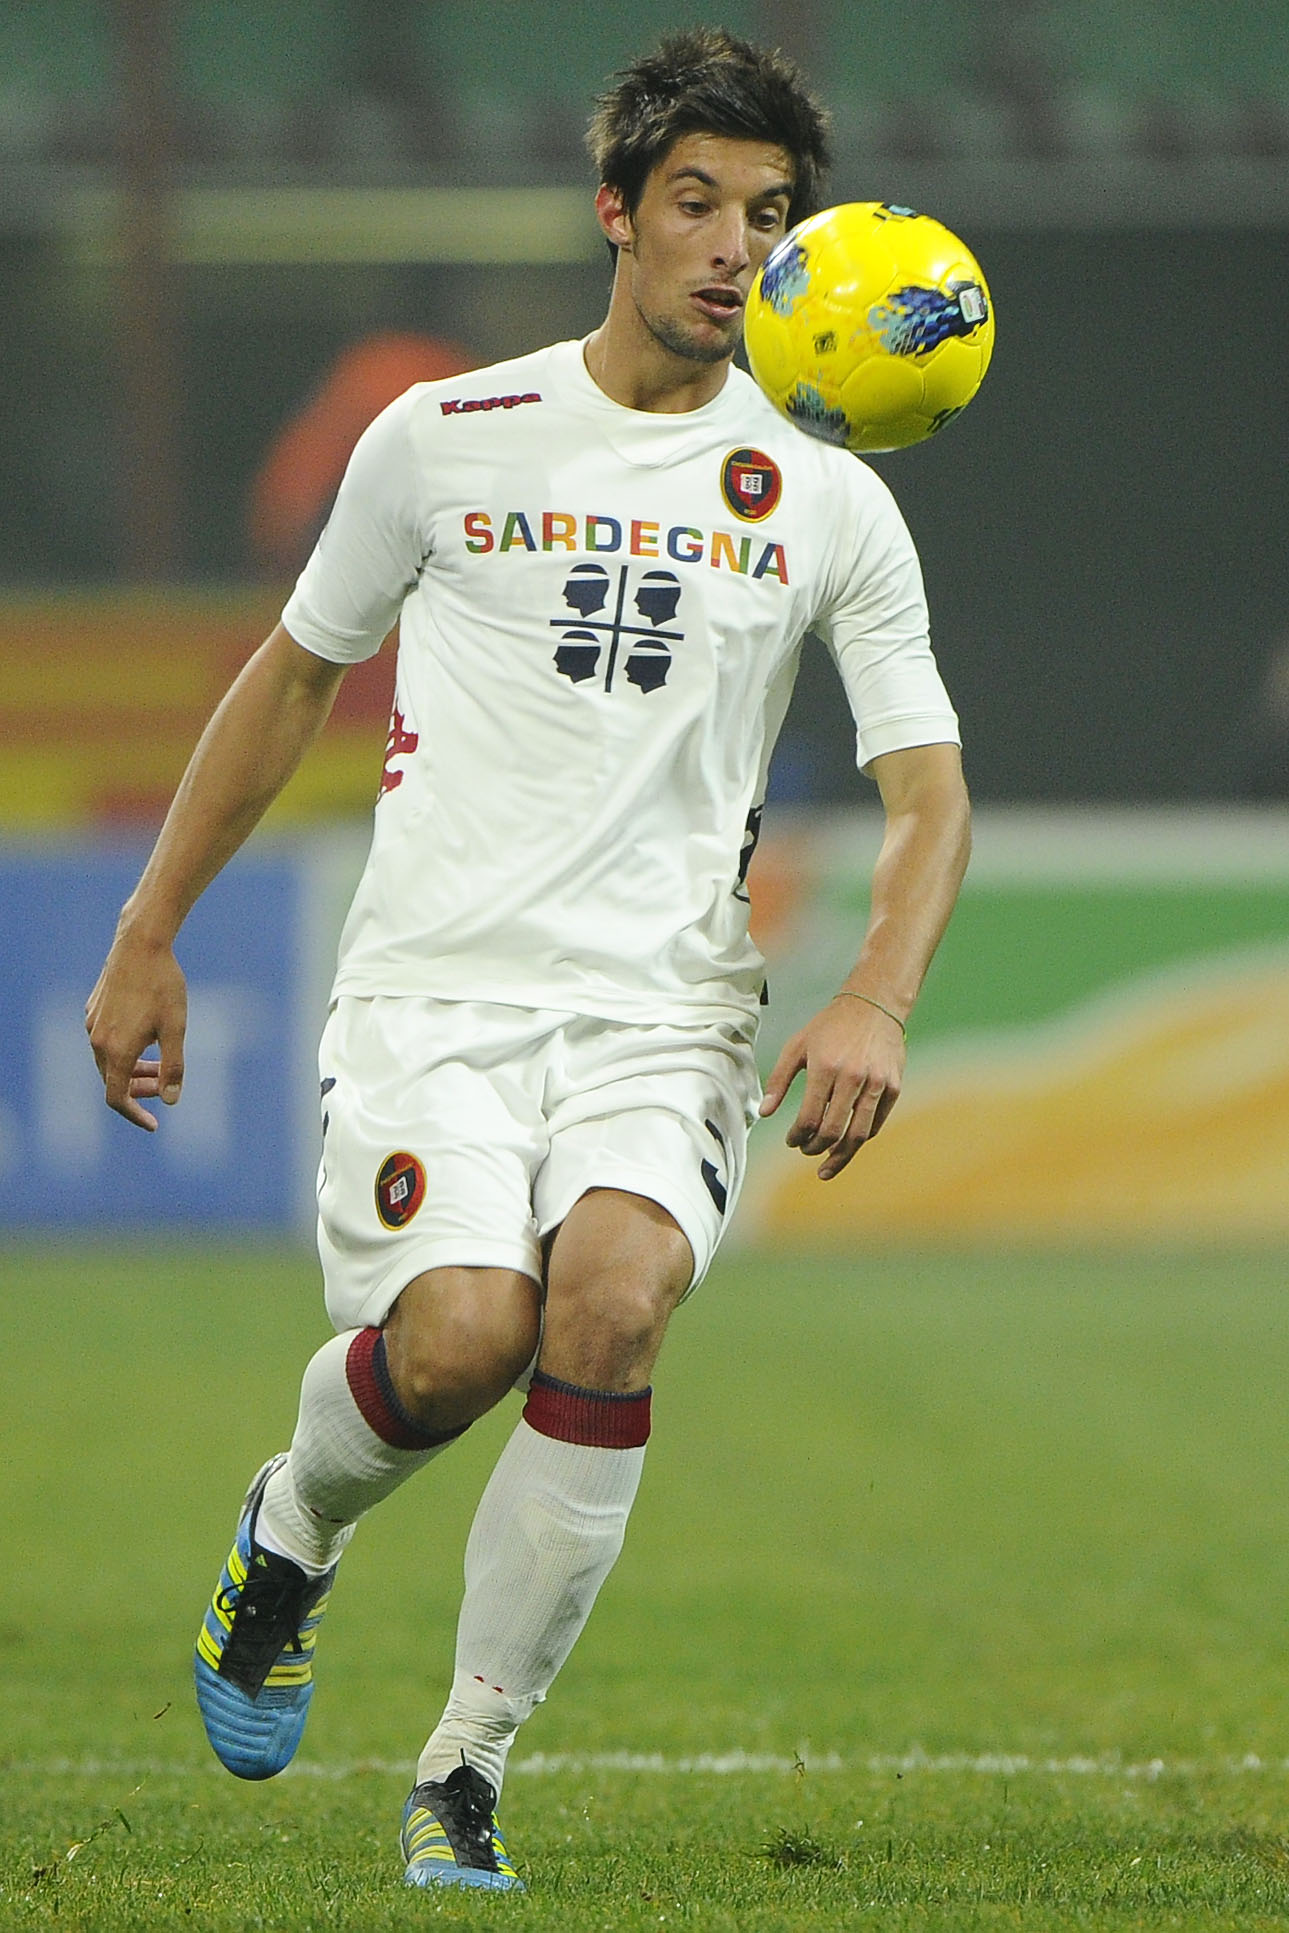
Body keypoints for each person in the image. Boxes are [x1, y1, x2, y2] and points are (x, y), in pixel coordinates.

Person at [86, 27, 971, 1894]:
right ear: (614, 213)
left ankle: (465, 1765)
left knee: (612, 1303)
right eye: (696, 204)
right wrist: (148, 927)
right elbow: (290, 682)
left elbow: (927, 791)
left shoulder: (827, 497)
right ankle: (291, 1526)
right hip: (435, 994)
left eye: (770, 215)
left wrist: (876, 991)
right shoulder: (442, 436)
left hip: (666, 1013)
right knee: (462, 1338)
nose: (734, 246)